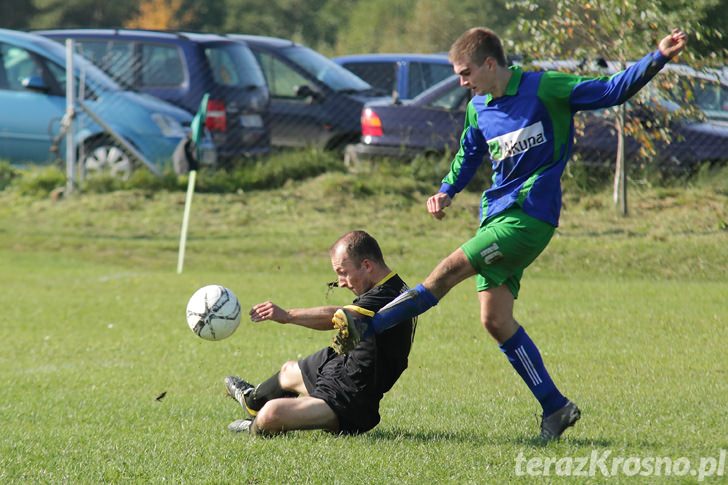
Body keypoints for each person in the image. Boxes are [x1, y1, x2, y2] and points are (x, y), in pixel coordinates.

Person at [332, 27, 688, 441]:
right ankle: (556, 407)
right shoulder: (478, 106)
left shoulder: (545, 88)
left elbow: (612, 90)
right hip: (496, 218)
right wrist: (447, 190)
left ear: (489, 63)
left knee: (446, 271)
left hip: (530, 218)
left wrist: (657, 57)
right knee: (495, 320)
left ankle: (368, 325)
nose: (462, 82)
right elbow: (469, 153)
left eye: (466, 73)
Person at [224, 230, 416, 435]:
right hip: (341, 369)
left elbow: (337, 315)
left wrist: (288, 315)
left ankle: (253, 427)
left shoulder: (386, 295)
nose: (341, 282)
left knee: (272, 413)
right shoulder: (392, 286)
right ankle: (252, 401)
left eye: (343, 272)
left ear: (367, 265)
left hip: (351, 401)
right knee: (288, 371)